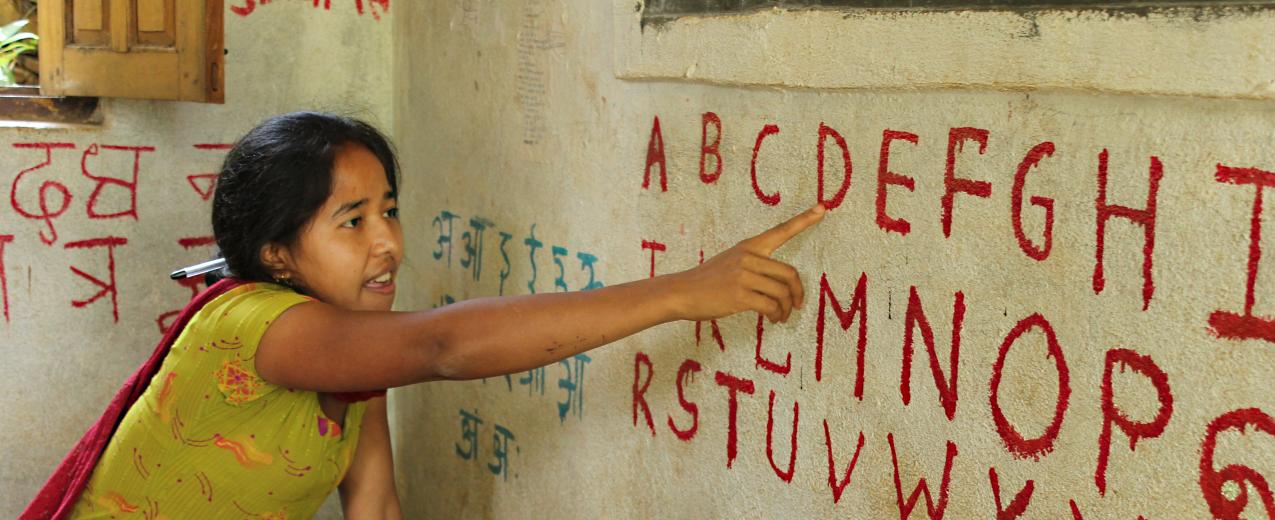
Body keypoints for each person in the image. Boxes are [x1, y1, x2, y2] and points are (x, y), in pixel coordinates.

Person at [25, 112, 825, 519]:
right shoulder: (256, 326)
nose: (387, 244)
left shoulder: (351, 353)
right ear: (274, 252)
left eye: (390, 210)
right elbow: (444, 344)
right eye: (352, 220)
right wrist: (681, 292)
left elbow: (373, 505)